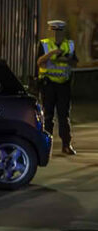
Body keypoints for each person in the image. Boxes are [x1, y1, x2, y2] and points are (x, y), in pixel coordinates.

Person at [38, 19, 79, 155]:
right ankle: (45, 146)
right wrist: (51, 54)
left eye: (59, 30)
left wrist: (64, 58)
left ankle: (66, 145)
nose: (57, 33)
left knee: (64, 116)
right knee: (48, 116)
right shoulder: (44, 44)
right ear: (50, 31)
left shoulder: (69, 45)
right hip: (48, 83)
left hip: (64, 84)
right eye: (54, 30)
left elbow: (75, 62)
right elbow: (39, 62)